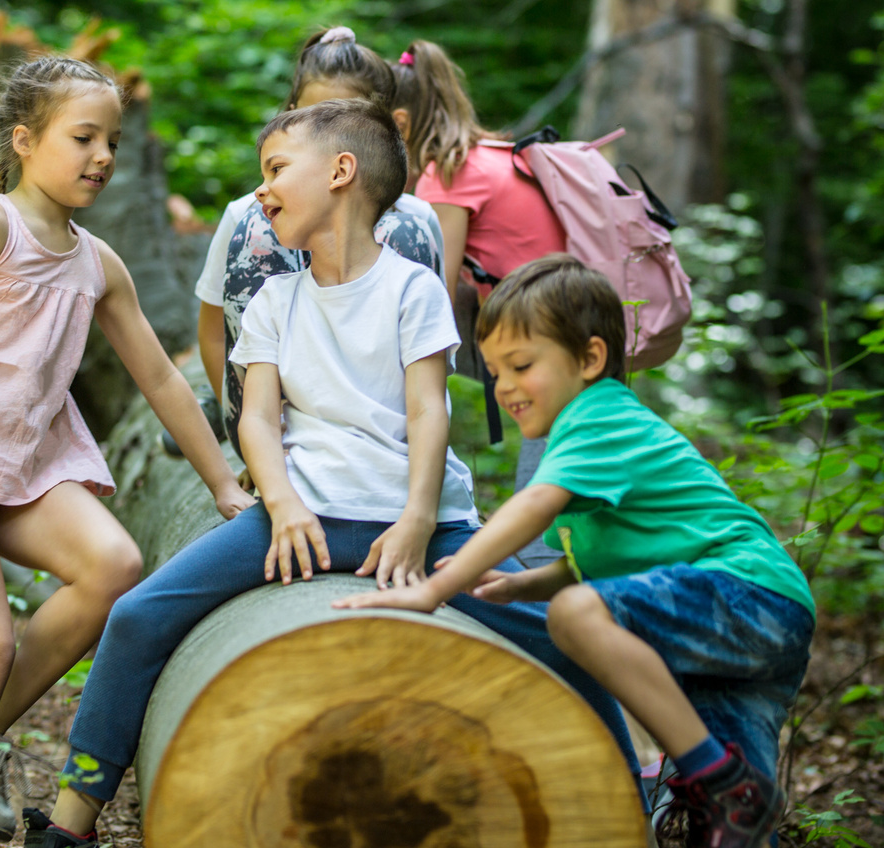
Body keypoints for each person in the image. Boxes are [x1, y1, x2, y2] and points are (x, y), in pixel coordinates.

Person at [21, 100, 643, 848]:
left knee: (560, 628)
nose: (262, 190)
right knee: (136, 617)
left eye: (277, 170)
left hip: (425, 525)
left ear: (341, 172)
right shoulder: (277, 299)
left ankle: (635, 803)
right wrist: (280, 506)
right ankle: (70, 822)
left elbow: (426, 411)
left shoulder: (411, 288)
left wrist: (416, 521)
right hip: (300, 519)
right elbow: (255, 418)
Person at [0, 56, 253, 848]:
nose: (102, 156)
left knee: (112, 566)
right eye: (83, 137)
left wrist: (224, 485)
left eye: (111, 140)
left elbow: (162, 377)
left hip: (22, 468)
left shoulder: (97, 263)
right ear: (25, 140)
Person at [336, 254, 815, 848]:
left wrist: (436, 587)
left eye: (522, 365)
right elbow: (608, 555)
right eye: (494, 372)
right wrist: (525, 585)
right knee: (732, 825)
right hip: (758, 616)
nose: (505, 387)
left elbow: (535, 504)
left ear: (589, 359)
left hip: (747, 592)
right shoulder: (590, 438)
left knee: (576, 615)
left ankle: (720, 779)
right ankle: (729, 788)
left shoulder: (598, 416)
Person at [194, 26, 443, 455]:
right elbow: (217, 331)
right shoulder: (248, 218)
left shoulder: (416, 222)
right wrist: (248, 436)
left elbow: (432, 347)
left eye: (344, 117)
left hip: (388, 441)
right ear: (290, 117)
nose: (327, 133)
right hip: (277, 436)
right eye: (312, 117)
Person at [394, 38, 567, 565]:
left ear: (399, 124)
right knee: (566, 460)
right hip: (571, 313)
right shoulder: (489, 155)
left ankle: (539, 584)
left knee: (549, 470)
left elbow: (434, 291)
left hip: (553, 332)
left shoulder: (445, 173)